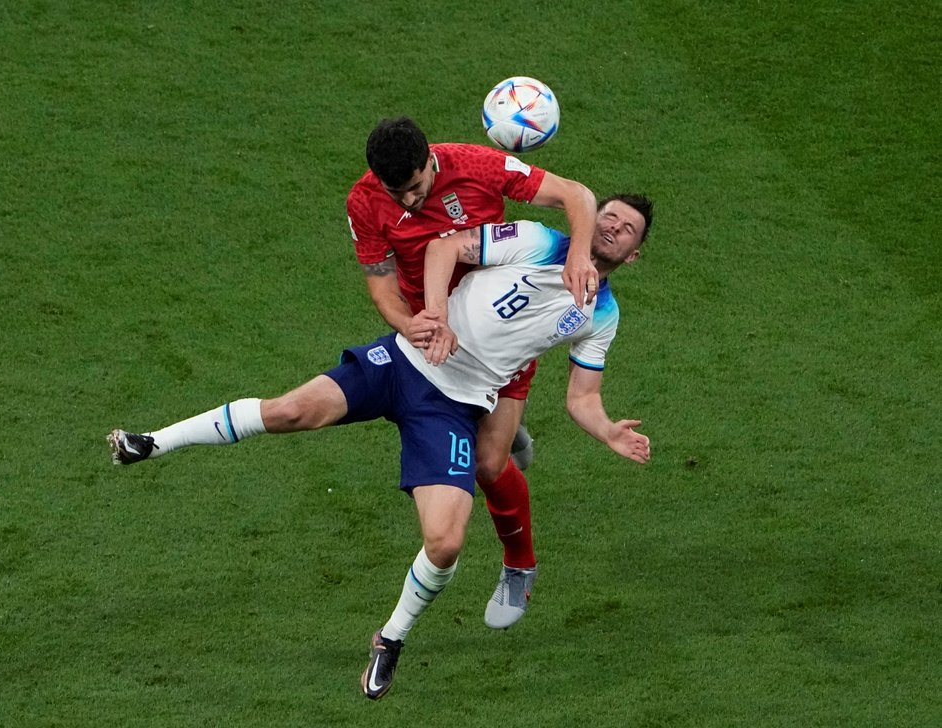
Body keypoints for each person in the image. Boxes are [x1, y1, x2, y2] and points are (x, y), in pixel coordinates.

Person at [106, 193, 654, 700]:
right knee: (290, 410)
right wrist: (435, 315)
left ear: (632, 256)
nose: (613, 226)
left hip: (453, 410)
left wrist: (608, 431)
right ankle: (150, 442)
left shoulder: (600, 317)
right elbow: (447, 246)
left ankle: (390, 639)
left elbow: (584, 396)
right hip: (402, 361)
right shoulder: (537, 239)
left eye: (628, 229)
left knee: (444, 542)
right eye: (609, 215)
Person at [347, 116, 599, 628]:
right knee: (479, 450)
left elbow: (577, 195)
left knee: (488, 465)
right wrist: (411, 324)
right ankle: (503, 429)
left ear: (429, 162)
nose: (408, 203)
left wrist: (576, 256)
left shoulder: (478, 165)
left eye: (415, 188)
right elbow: (381, 286)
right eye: (397, 193)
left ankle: (519, 564)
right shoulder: (365, 200)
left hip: (501, 335)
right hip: (437, 342)